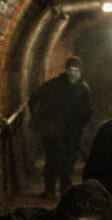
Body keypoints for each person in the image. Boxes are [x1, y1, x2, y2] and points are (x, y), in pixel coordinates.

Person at [28, 56, 93, 197]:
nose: (73, 73)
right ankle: (50, 189)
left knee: (68, 161)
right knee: (52, 159)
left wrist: (81, 126)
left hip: (72, 132)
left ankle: (65, 188)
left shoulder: (83, 89)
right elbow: (34, 98)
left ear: (81, 72)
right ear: (66, 70)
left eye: (76, 70)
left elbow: (87, 112)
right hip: (53, 132)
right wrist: (39, 119)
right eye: (71, 70)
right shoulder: (54, 86)